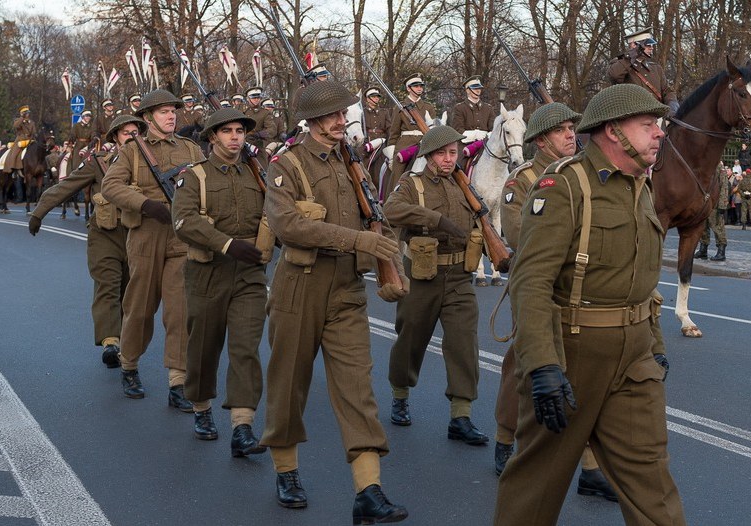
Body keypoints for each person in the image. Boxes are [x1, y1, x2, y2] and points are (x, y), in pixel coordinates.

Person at [494, 84, 685, 526]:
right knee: (535, 488)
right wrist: (541, 365)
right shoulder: (563, 186)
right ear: (614, 133)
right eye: (648, 125)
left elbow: (641, 281)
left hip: (635, 360)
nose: (659, 133)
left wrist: (654, 342)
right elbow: (532, 280)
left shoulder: (641, 186)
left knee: (653, 488)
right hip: (572, 354)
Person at [260, 80, 408, 522]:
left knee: (357, 390)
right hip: (299, 289)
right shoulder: (286, 165)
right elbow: (289, 227)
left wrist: (387, 249)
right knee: (289, 384)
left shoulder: (354, 163)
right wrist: (358, 239)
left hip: (346, 290)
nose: (342, 121)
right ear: (313, 122)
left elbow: (376, 215)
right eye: (333, 116)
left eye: (344, 114)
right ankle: (286, 470)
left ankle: (369, 489)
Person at [493, 102, 618, 500]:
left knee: (580, 372)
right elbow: (518, 236)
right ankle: (504, 435)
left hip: (581, 291)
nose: (571, 135)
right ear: (541, 139)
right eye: (562, 129)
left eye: (572, 127)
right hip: (539, 287)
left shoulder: (583, 175)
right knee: (524, 365)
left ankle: (591, 468)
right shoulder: (522, 181)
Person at [170, 108, 268, 457]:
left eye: (239, 130)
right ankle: (200, 407)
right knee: (204, 346)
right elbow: (183, 221)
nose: (234, 137)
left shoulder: (258, 174)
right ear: (212, 137)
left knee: (246, 348)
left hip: (249, 275)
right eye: (226, 131)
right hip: (208, 272)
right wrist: (227, 244)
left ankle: (242, 425)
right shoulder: (193, 176)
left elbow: (276, 214)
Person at [383, 126, 488, 445]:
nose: (447, 159)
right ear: (428, 157)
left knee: (463, 344)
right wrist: (435, 219)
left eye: (453, 152)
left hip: (459, 277)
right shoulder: (411, 184)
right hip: (421, 277)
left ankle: (461, 415)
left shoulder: (464, 185)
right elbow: (391, 210)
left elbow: (481, 218)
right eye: (441, 153)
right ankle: (400, 395)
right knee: (410, 338)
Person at [100, 89, 205, 405]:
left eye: (173, 110)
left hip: (181, 237)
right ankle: (129, 364)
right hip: (146, 234)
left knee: (180, 310)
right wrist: (146, 204)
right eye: (162, 112)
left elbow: (209, 184)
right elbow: (111, 186)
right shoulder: (133, 150)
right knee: (140, 307)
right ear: (147, 118)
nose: (171, 116)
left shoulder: (190, 148)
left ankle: (178, 381)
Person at [29, 115, 139, 368]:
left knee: (131, 293)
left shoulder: (151, 168)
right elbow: (65, 187)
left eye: (136, 132)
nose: (132, 137)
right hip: (105, 235)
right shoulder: (99, 164)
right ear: (116, 138)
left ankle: (127, 342)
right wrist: (39, 213)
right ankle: (111, 342)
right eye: (126, 133)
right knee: (108, 286)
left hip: (139, 237)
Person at [607, 28, 680, 115]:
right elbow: (615, 75)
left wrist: (673, 104)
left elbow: (667, 91)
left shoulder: (656, 68)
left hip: (656, 115)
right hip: (633, 117)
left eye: (652, 45)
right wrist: (630, 57)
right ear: (634, 45)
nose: (651, 48)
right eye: (648, 45)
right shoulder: (620, 65)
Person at [387, 74, 437, 198]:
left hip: (425, 142)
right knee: (397, 171)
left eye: (421, 86)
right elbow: (394, 132)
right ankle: (393, 199)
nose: (419, 88)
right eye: (416, 86)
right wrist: (391, 153)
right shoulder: (400, 107)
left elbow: (433, 128)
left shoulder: (428, 107)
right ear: (409, 88)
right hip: (405, 143)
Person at [696, 164, 731, 261]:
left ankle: (721, 251)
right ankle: (703, 249)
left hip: (715, 203)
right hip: (704, 202)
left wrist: (722, 204)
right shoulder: (704, 166)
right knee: (703, 226)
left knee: (717, 227)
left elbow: (724, 186)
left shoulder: (719, 168)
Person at [362, 87, 392, 190]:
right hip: (367, 143)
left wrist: (390, 143)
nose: (376, 99)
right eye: (373, 97)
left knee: (381, 169)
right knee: (364, 168)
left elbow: (389, 129)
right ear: (367, 99)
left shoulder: (384, 112)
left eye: (377, 97)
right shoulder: (362, 112)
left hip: (381, 143)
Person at [451, 75, 495, 143]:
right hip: (465, 145)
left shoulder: (488, 108)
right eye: (475, 88)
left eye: (479, 88)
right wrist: (475, 135)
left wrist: (487, 135)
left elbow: (493, 128)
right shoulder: (459, 108)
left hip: (485, 144)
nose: (478, 91)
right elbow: (458, 130)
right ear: (468, 90)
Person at [241, 87, 277, 166]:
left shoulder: (265, 113)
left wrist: (259, 134)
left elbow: (272, 130)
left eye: (258, 97)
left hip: (257, 147)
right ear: (248, 99)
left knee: (262, 170)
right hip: (241, 145)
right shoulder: (242, 112)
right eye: (254, 98)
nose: (256, 100)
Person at [4, 106, 36, 176]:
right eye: (26, 113)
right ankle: (13, 169)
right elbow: (15, 126)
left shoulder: (32, 122)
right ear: (22, 113)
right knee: (15, 153)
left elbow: (34, 131)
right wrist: (22, 118)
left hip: (30, 140)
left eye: (28, 113)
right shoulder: (18, 121)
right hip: (20, 140)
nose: (27, 115)